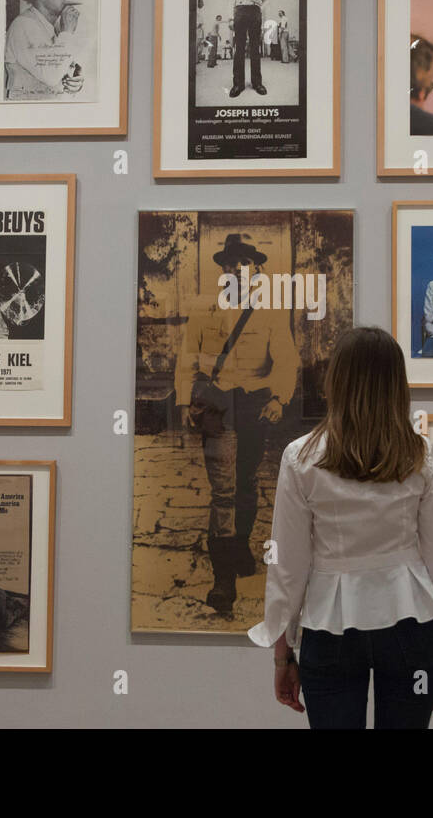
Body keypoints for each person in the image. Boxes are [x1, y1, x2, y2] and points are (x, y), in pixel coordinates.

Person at [248, 326, 433, 728]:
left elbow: (287, 570)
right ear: (397, 384)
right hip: (413, 629)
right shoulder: (420, 456)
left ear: (335, 381)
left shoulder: (300, 458)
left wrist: (282, 656)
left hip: (330, 631)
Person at [174, 233, 297, 615]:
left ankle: (240, 547)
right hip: (217, 405)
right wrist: (183, 400)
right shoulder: (203, 308)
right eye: (229, 264)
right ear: (223, 270)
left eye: (243, 263)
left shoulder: (271, 311)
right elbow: (186, 357)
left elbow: (287, 360)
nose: (236, 270)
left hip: (254, 406)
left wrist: (279, 398)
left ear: (256, 268)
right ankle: (222, 579)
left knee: (246, 484)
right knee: (223, 491)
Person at [4, 0, 85, 99]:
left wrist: (74, 79)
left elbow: (61, 69)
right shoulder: (24, 25)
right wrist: (67, 33)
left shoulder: (55, 26)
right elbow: (51, 76)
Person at [228, 0, 266, 98]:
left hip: (255, 13)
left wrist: (260, 11)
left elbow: (266, 0)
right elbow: (230, 2)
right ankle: (238, 84)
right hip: (240, 13)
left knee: (255, 49)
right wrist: (231, 18)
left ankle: (257, 83)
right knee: (239, 49)